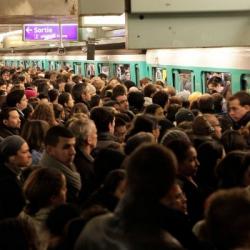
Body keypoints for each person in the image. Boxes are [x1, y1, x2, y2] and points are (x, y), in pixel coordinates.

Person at [39, 126, 81, 203]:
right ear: (50, 150)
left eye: (73, 146)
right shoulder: (45, 180)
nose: (73, 152)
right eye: (66, 147)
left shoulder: (70, 166)